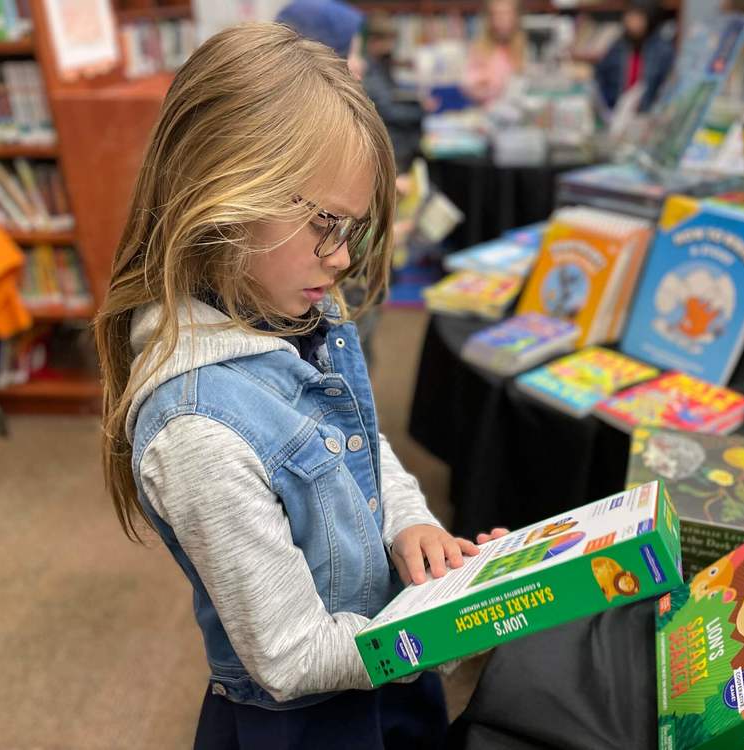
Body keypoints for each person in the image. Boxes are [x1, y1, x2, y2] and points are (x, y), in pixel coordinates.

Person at [94, 23, 504, 749]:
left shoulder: (290, 307)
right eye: (325, 226)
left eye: (352, 230)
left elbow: (362, 446)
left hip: (385, 676)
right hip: (313, 725)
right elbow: (290, 656)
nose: (342, 258)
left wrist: (409, 523)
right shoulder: (199, 433)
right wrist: (456, 622)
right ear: (223, 194)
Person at [363, 12, 426, 172]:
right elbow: (387, 110)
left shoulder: (380, 64)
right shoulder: (370, 70)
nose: (391, 47)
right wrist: (421, 110)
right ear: (374, 41)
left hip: (394, 136)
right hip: (392, 141)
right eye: (388, 41)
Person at [593, 0, 674, 114]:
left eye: (638, 17)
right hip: (616, 112)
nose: (631, 21)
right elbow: (600, 76)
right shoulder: (618, 45)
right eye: (629, 15)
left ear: (649, 18)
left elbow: (665, 88)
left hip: (645, 115)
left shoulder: (662, 50)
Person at [462, 0, 527, 105]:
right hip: (489, 112)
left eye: (507, 14)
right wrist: (494, 88)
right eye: (497, 14)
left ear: (516, 16)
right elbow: (469, 87)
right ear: (489, 19)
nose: (502, 20)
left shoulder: (523, 47)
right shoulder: (480, 49)